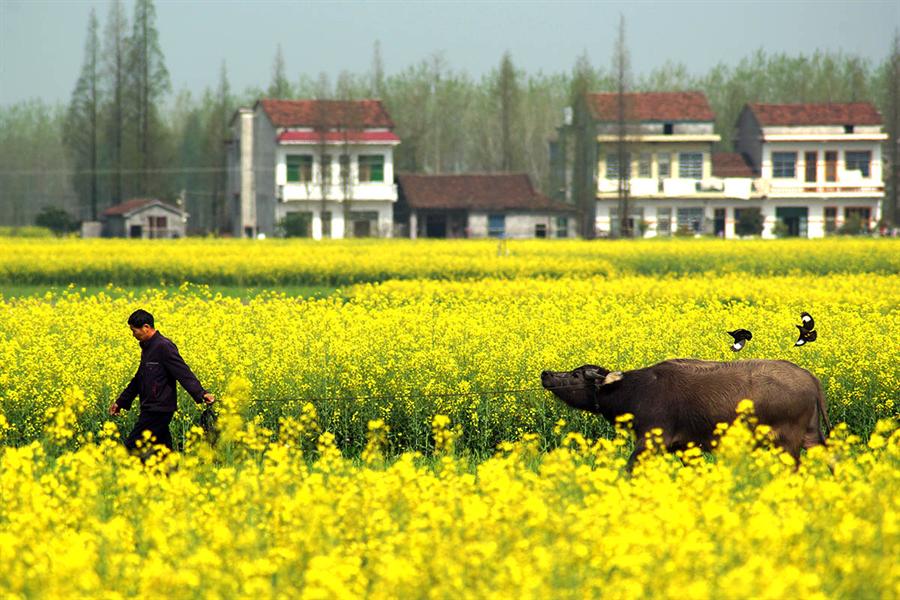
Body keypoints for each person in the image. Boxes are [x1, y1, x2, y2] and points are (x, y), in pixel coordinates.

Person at [108, 309, 215, 454]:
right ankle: (171, 475)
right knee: (163, 452)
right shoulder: (148, 348)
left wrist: (201, 393)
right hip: (152, 407)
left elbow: (182, 372)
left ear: (146, 327)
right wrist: (121, 402)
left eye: (134, 331)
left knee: (133, 447)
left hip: (159, 408)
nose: (133, 335)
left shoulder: (163, 346)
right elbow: (139, 379)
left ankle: (133, 474)